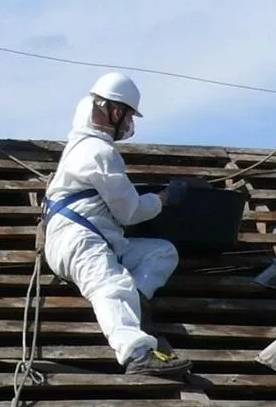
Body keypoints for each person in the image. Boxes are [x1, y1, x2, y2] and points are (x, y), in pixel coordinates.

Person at [43, 72, 193, 377]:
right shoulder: (98, 151)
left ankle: (135, 301)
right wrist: (163, 199)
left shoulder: (84, 146)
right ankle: (137, 354)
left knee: (161, 252)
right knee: (112, 285)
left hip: (100, 239)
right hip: (79, 241)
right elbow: (130, 212)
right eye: (126, 115)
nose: (127, 124)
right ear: (114, 110)